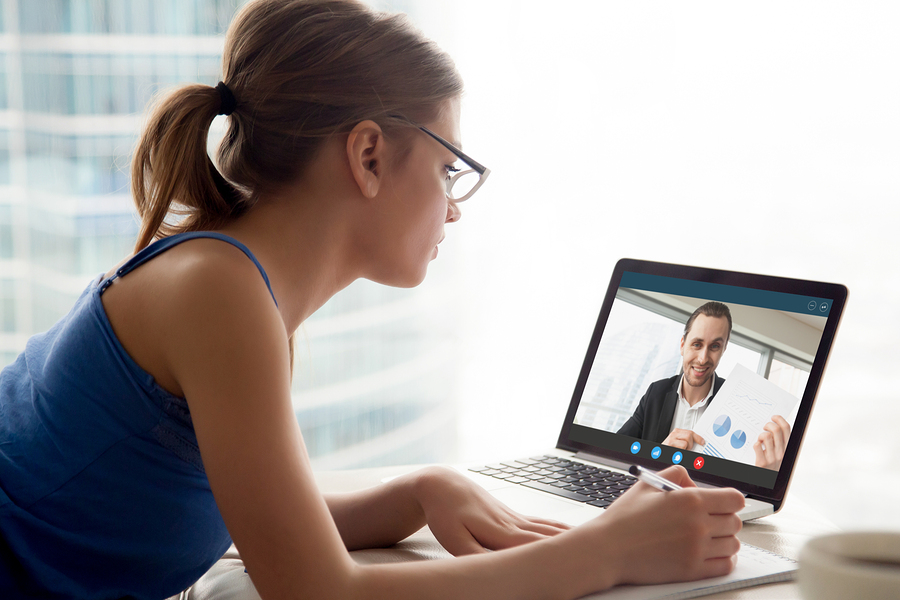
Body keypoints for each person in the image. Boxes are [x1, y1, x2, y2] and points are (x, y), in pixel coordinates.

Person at [0, 1, 745, 598]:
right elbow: (317, 589)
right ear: (368, 155)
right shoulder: (220, 294)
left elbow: (249, 517)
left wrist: (415, 491)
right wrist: (606, 553)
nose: (454, 208)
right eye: (450, 169)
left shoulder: (230, 282)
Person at [617, 302, 791, 470]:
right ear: (683, 345)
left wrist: (766, 472)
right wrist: (658, 452)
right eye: (697, 344)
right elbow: (616, 450)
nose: (702, 358)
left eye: (715, 346)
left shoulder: (738, 404)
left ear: (723, 350)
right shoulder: (656, 392)